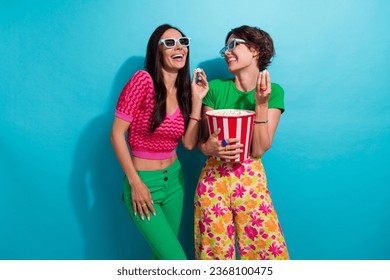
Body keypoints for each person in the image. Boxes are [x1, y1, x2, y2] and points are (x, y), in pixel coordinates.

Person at [111, 24, 208, 260]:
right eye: (169, 43)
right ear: (157, 52)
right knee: (176, 261)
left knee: (162, 262)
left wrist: (197, 100)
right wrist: (135, 183)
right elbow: (116, 134)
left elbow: (187, 143)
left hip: (175, 181)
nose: (179, 47)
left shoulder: (184, 90)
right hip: (144, 182)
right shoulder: (142, 81)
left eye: (183, 41)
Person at [194, 25, 289, 260]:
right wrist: (208, 148)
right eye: (225, 48)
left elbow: (258, 149)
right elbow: (204, 142)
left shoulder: (273, 92)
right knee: (214, 257)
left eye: (233, 45)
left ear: (255, 49)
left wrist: (260, 104)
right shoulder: (214, 88)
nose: (227, 52)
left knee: (265, 253)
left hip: (251, 180)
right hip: (213, 181)